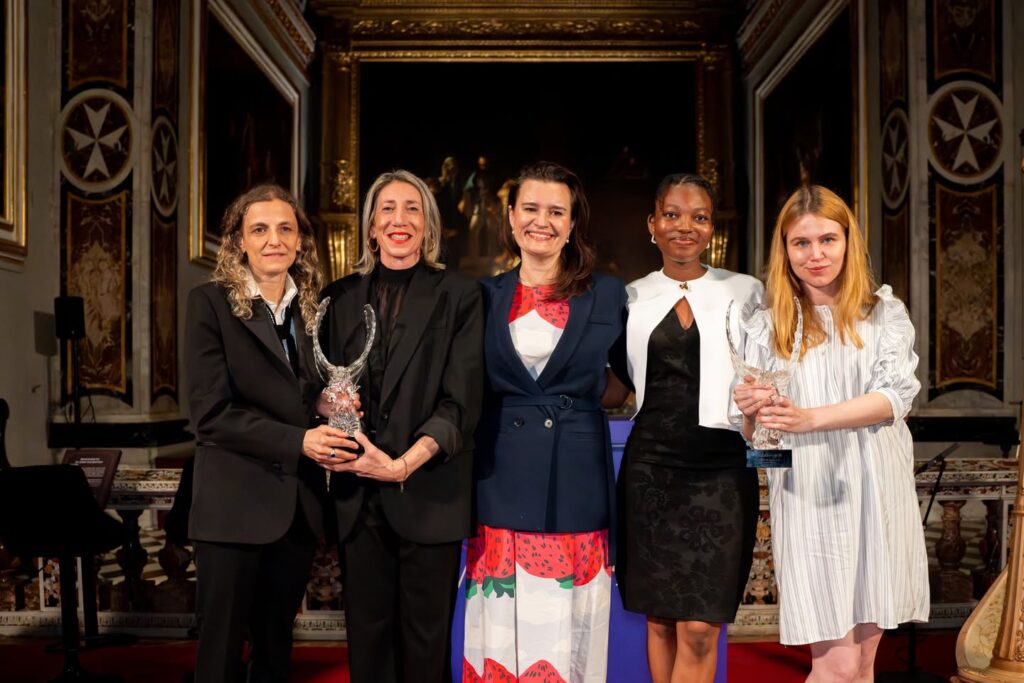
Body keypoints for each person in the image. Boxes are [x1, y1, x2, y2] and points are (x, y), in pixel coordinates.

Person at [732, 185, 928, 683]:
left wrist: (810, 418)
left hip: (880, 495)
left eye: (827, 239)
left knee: (863, 665)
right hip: (811, 503)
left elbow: (895, 399)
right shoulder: (767, 326)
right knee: (836, 667)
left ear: (848, 241)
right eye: (801, 243)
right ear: (784, 249)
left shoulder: (884, 314)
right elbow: (761, 451)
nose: (815, 254)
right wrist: (753, 418)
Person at [463, 161, 626, 682]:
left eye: (557, 211)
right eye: (531, 209)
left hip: (577, 481)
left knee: (570, 629)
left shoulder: (607, 294)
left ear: (573, 221)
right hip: (500, 478)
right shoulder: (482, 297)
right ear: (510, 218)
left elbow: (626, 380)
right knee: (502, 626)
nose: (543, 221)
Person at [184, 184, 354, 683]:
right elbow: (209, 414)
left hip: (294, 509)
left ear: (300, 241)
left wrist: (325, 405)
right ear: (239, 241)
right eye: (259, 229)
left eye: (286, 228)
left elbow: (302, 396)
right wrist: (300, 440)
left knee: (277, 649)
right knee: (218, 653)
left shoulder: (311, 312)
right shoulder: (210, 304)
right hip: (232, 508)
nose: (273, 239)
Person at [320, 169, 484, 683]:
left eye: (412, 208)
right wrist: (329, 407)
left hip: (429, 493)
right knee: (367, 646)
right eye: (387, 209)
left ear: (428, 226)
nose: (399, 219)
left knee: (425, 646)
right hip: (357, 499)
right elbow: (320, 390)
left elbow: (461, 404)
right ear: (371, 226)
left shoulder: (460, 295)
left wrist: (399, 466)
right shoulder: (338, 298)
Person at [603, 173, 763, 683]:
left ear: (712, 227)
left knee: (699, 627)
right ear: (652, 224)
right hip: (651, 469)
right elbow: (612, 385)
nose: (684, 227)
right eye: (672, 214)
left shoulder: (747, 292)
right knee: (661, 621)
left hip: (721, 470)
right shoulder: (627, 298)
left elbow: (772, 380)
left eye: (699, 217)